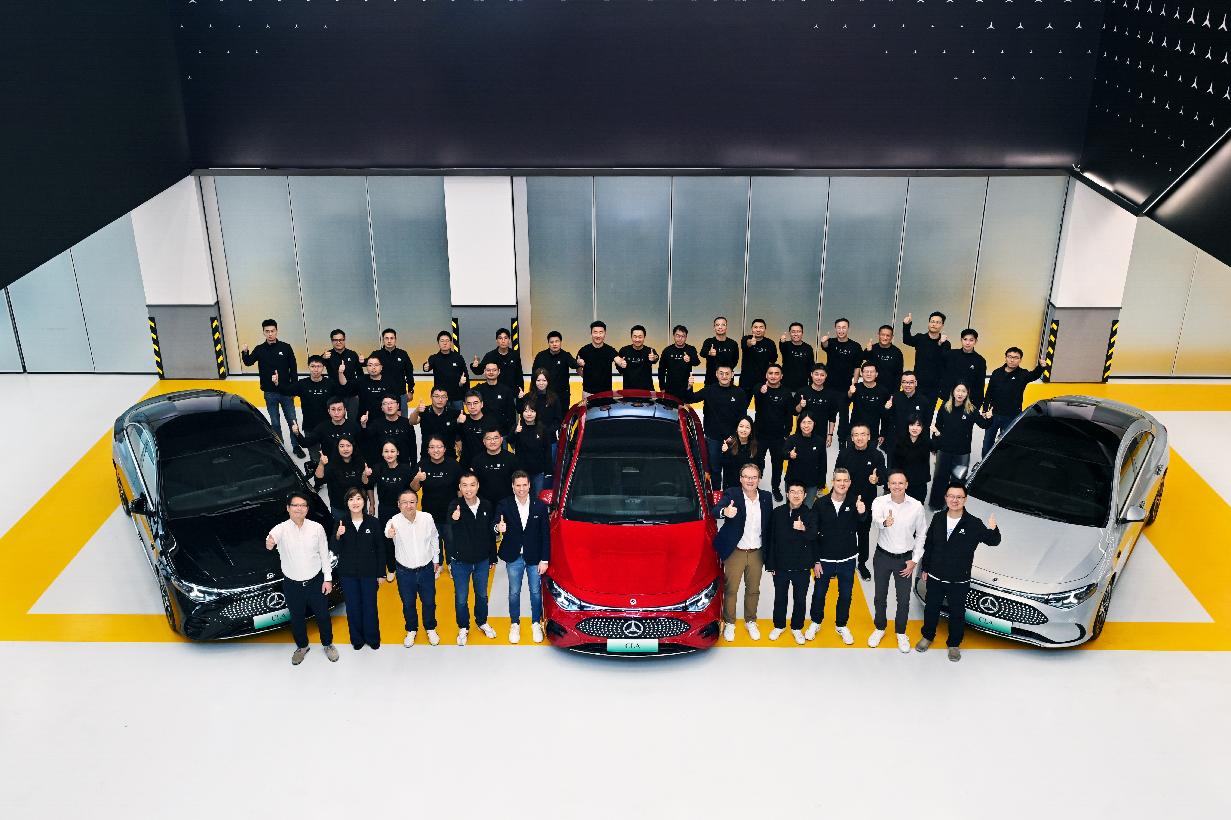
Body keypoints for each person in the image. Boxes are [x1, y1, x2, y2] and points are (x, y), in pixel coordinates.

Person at [917, 482, 1001, 661]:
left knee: (957, 614)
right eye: (951, 496)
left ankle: (954, 645)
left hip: (959, 580)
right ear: (946, 498)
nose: (954, 500)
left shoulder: (973, 523)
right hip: (935, 576)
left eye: (959, 497)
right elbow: (929, 544)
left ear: (965, 499)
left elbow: (993, 541)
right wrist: (925, 567)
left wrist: (994, 529)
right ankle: (927, 636)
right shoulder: (938, 517)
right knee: (931, 609)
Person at [265, 492, 337, 665]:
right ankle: (302, 647)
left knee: (323, 616)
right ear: (288, 508)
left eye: (303, 505)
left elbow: (324, 555)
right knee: (297, 618)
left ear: (307, 509)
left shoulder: (316, 528)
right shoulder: (280, 528)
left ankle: (328, 644)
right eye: (295, 505)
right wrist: (270, 542)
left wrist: (327, 579)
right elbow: (270, 540)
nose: (299, 508)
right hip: (292, 585)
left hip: (315, 582)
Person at [712, 462, 773, 642]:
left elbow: (769, 526)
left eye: (754, 477)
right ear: (740, 479)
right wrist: (725, 511)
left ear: (759, 479)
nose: (750, 480)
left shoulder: (766, 497)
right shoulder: (732, 494)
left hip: (757, 552)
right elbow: (715, 510)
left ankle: (750, 621)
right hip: (736, 551)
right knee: (731, 589)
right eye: (746, 477)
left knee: (753, 590)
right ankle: (730, 622)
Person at [868, 469, 927, 653]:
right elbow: (875, 520)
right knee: (880, 596)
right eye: (893, 483)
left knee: (903, 599)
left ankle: (901, 632)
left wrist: (914, 560)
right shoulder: (879, 502)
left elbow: (921, 534)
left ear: (906, 485)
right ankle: (880, 628)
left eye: (901, 483)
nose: (897, 486)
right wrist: (885, 522)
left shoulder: (916, 506)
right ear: (888, 485)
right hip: (883, 557)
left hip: (905, 560)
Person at [808, 468, 866, 644]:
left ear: (849, 483)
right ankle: (816, 622)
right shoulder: (820, 504)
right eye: (838, 480)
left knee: (846, 595)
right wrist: (815, 560)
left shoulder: (855, 502)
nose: (842, 483)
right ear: (832, 482)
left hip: (847, 559)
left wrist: (862, 512)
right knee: (819, 593)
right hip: (824, 560)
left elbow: (863, 523)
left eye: (845, 480)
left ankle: (841, 625)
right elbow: (813, 534)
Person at [442, 472, 499, 645]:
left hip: (482, 561)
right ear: (460, 487)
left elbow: (490, 533)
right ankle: (463, 627)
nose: (468, 489)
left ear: (478, 486)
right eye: (464, 485)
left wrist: (492, 557)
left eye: (472, 485)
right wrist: (454, 519)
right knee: (461, 598)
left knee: (482, 595)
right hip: (460, 562)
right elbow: (449, 532)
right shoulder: (454, 505)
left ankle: (481, 622)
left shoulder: (487, 505)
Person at [494, 471, 551, 644]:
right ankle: (515, 624)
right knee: (514, 592)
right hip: (514, 557)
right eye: (518, 485)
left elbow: (545, 535)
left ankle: (536, 623)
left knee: (535, 592)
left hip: (535, 557)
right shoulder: (504, 504)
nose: (521, 489)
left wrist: (545, 560)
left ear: (529, 485)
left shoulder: (540, 506)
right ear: (512, 486)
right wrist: (498, 528)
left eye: (524, 485)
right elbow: (495, 523)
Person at [385, 488, 443, 648]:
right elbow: (387, 532)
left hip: (426, 569)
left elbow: (435, 537)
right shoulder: (394, 521)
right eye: (404, 502)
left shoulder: (427, 518)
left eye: (412, 502)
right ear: (398, 504)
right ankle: (411, 629)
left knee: (429, 602)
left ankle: (430, 628)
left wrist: (436, 559)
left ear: (417, 503)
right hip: (404, 572)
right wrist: (390, 533)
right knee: (408, 603)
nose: (408, 505)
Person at [241, 319, 303, 456]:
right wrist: (245, 352)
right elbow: (248, 362)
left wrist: (294, 387)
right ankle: (281, 447)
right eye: (267, 331)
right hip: (270, 393)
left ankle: (296, 446)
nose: (270, 334)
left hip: (286, 391)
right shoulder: (259, 349)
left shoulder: (286, 347)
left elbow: (293, 368)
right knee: (275, 423)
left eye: (272, 331)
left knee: (292, 420)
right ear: (263, 332)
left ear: (276, 331)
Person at [765, 481, 817, 644]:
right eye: (792, 491)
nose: (796, 495)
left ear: (805, 495)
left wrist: (803, 528)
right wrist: (771, 564)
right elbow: (771, 539)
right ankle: (779, 626)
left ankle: (797, 627)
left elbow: (814, 537)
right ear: (787, 494)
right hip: (780, 566)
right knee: (780, 597)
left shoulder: (810, 513)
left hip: (802, 567)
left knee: (800, 599)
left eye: (799, 492)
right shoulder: (777, 512)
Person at [332, 488, 383, 650]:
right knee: (353, 607)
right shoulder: (341, 522)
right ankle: (357, 639)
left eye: (359, 498)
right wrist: (338, 535)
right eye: (351, 499)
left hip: (369, 572)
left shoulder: (373, 522)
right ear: (347, 503)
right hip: (348, 574)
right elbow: (334, 549)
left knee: (370, 606)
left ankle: (372, 637)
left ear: (364, 501)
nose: (355, 502)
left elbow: (380, 549)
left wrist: (381, 573)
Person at [834, 424, 886, 581]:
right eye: (856, 434)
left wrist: (877, 479)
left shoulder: (877, 455)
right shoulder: (844, 454)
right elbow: (837, 475)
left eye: (863, 434)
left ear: (869, 437)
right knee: (842, 533)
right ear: (851, 437)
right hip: (846, 501)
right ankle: (840, 561)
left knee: (863, 534)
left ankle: (862, 563)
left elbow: (883, 476)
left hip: (867, 503)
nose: (859, 438)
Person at [928, 384, 991, 510]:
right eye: (958, 390)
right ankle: (936, 504)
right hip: (944, 450)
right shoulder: (945, 407)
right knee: (940, 478)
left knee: (958, 481)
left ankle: (954, 507)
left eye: (963, 391)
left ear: (967, 393)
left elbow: (984, 425)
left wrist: (989, 418)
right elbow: (938, 427)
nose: (960, 393)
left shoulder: (971, 409)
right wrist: (935, 446)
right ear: (953, 392)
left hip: (962, 453)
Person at [682, 365, 748, 487]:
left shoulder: (740, 393)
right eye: (721, 373)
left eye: (727, 373)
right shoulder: (709, 390)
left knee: (731, 469)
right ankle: (717, 491)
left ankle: (729, 492)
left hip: (732, 439)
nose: (724, 376)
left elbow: (742, 417)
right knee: (715, 469)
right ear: (716, 374)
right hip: (713, 438)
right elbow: (690, 399)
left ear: (732, 375)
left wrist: (734, 436)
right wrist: (689, 386)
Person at [981, 347, 1047, 456]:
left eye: (1016, 358)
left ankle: (1001, 463)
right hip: (993, 415)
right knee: (987, 444)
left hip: (1011, 416)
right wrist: (984, 410)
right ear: (1006, 357)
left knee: (1006, 445)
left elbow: (1034, 375)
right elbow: (989, 393)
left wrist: (1041, 367)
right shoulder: (997, 373)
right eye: (1010, 357)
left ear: (1020, 360)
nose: (1012, 360)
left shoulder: (1023, 374)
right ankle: (984, 464)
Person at [275, 355, 335, 462]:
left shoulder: (330, 383)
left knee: (330, 456)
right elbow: (286, 391)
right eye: (313, 366)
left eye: (318, 366)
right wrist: (277, 384)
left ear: (323, 368)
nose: (316, 369)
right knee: (315, 458)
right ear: (309, 367)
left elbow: (341, 397)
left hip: (328, 426)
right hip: (310, 427)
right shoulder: (302, 384)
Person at [370, 440, 416, 581]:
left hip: (404, 509)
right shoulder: (378, 468)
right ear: (382, 453)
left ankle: (409, 564)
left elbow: (413, 489)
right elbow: (367, 484)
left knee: (406, 537)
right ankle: (391, 568)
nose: (389, 454)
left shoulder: (405, 469)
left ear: (398, 452)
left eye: (392, 451)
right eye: (386, 451)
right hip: (385, 509)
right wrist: (365, 476)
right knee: (388, 539)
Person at [820, 318, 865, 440]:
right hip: (828, 386)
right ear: (835, 329)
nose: (841, 330)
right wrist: (823, 341)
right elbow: (825, 345)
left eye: (844, 327)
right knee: (826, 412)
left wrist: (854, 384)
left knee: (844, 416)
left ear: (848, 329)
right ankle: (822, 436)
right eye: (838, 327)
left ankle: (842, 439)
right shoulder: (831, 342)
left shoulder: (855, 346)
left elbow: (857, 367)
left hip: (845, 388)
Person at [754, 363, 793, 501]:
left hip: (778, 437)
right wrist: (761, 391)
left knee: (777, 464)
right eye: (770, 373)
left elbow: (789, 415)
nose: (773, 376)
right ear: (766, 375)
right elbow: (756, 391)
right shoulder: (760, 388)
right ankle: (755, 487)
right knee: (758, 462)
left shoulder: (787, 393)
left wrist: (786, 434)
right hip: (760, 435)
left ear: (781, 376)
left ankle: (775, 488)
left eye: (777, 373)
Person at [291, 396, 361, 468]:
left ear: (345, 410)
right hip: (330, 467)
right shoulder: (322, 427)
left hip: (351, 466)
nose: (336, 413)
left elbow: (362, 445)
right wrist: (297, 433)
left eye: (339, 409)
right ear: (328, 411)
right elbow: (306, 443)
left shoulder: (353, 426)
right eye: (333, 409)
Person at [411, 436, 463, 532]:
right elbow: (414, 488)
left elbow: (460, 489)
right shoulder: (422, 465)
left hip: (450, 514)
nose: (436, 450)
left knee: (451, 541)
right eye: (432, 447)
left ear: (444, 449)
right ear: (428, 450)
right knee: (431, 541)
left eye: (439, 447)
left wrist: (459, 508)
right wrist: (417, 478)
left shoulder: (453, 465)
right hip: (429, 515)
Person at [314, 437, 369, 520]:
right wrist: (321, 464)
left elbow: (365, 483)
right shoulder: (332, 464)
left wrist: (365, 475)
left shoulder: (360, 462)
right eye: (342, 446)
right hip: (340, 508)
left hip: (358, 505)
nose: (345, 449)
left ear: (353, 447)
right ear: (337, 448)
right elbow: (319, 478)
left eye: (348, 445)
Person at [901, 311, 950, 399]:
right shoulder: (920, 338)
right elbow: (906, 340)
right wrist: (906, 325)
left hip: (935, 386)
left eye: (938, 322)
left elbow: (943, 361)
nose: (934, 324)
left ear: (942, 325)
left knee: (930, 407)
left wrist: (940, 344)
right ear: (929, 323)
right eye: (932, 321)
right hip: (918, 383)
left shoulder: (946, 343)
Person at [370, 328, 415, 419]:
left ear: (395, 339)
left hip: (400, 394)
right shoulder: (376, 354)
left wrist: (411, 391)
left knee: (402, 421)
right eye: (386, 338)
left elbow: (409, 373)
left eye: (392, 338)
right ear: (383, 340)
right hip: (381, 394)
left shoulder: (403, 354)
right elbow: (368, 365)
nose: (389, 341)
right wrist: (361, 361)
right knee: (380, 421)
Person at [793, 364, 841, 449]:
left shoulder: (831, 395)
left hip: (820, 435)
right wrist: (800, 405)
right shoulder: (802, 392)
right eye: (816, 374)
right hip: (803, 433)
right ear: (811, 374)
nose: (819, 377)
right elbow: (795, 412)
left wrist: (830, 434)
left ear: (826, 376)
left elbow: (832, 417)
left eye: (822, 375)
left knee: (819, 456)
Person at [338, 354, 397, 422]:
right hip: (364, 419)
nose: (373, 367)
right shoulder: (361, 381)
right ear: (366, 367)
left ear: (381, 367)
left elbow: (395, 400)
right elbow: (345, 385)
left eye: (376, 365)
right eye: (370, 365)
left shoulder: (389, 381)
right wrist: (340, 373)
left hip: (385, 419)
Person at [362, 394, 416, 467]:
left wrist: (414, 468)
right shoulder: (376, 424)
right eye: (385, 404)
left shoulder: (407, 423)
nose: (389, 406)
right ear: (382, 408)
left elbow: (413, 448)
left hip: (403, 467)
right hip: (381, 468)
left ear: (398, 406)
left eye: (392, 403)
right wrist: (364, 425)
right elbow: (366, 442)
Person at [847, 362, 892, 449]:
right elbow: (845, 403)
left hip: (872, 434)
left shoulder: (883, 391)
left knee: (871, 457)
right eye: (866, 371)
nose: (869, 374)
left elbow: (885, 415)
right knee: (851, 456)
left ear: (876, 374)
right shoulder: (856, 388)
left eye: (872, 372)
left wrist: (883, 433)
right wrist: (850, 393)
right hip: (855, 432)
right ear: (861, 373)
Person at [785, 412, 826, 506]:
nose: (806, 425)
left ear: (814, 424)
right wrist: (789, 454)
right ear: (799, 424)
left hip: (811, 483)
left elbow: (822, 463)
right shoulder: (792, 439)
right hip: (793, 482)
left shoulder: (819, 441)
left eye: (809, 422)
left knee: (807, 509)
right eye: (803, 422)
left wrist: (821, 484)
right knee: (792, 508)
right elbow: (783, 452)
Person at [470, 429, 520, 505]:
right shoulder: (477, 461)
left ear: (501, 439)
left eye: (496, 438)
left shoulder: (512, 459)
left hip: (507, 504)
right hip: (484, 504)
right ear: (484, 441)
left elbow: (518, 482)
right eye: (489, 439)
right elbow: (473, 484)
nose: (492, 441)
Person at [321, 328, 364, 418]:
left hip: (352, 394)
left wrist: (359, 391)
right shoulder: (327, 355)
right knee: (338, 421)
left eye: (341, 339)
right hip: (335, 395)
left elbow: (360, 374)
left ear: (344, 340)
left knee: (354, 421)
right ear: (332, 341)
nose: (338, 342)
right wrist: (322, 358)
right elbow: (316, 366)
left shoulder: (352, 354)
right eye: (335, 340)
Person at [423, 330, 469, 413]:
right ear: (438, 343)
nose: (445, 343)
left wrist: (466, 396)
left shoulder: (458, 358)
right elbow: (427, 366)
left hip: (457, 398)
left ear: (451, 343)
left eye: (447, 341)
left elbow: (466, 376)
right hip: (441, 398)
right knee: (441, 419)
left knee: (460, 418)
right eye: (442, 341)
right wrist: (425, 367)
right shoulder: (434, 358)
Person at [884, 371, 935, 446]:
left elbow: (926, 424)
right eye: (904, 382)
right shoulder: (894, 398)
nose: (907, 385)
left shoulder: (924, 401)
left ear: (916, 383)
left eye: (911, 382)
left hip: (916, 442)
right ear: (901, 383)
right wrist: (886, 409)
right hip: (897, 442)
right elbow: (887, 420)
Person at [940, 328, 988, 408]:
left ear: (976, 341)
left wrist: (977, 404)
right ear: (961, 340)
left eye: (971, 340)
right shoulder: (951, 355)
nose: (967, 343)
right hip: (948, 399)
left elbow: (980, 384)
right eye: (965, 339)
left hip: (968, 401)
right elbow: (938, 365)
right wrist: (941, 343)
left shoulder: (980, 361)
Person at [512, 402, 552, 497]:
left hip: (538, 471)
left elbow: (547, 450)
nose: (529, 414)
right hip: (522, 471)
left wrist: (548, 470)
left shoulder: (542, 428)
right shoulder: (518, 426)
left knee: (538, 496)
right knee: (522, 496)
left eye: (532, 411)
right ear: (522, 413)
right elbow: (510, 440)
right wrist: (515, 432)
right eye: (526, 411)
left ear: (536, 413)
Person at [530, 331, 577, 409]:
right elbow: (534, 375)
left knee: (562, 415)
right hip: (544, 393)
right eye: (551, 342)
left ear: (560, 342)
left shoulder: (566, 355)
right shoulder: (541, 356)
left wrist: (580, 362)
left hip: (562, 395)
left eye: (557, 341)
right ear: (548, 343)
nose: (554, 344)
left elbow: (574, 364)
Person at [413, 387, 461, 464]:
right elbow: (412, 422)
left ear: (447, 398)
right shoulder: (424, 411)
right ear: (431, 397)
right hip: (427, 456)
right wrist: (416, 410)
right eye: (436, 396)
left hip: (449, 456)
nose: (440, 399)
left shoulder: (454, 413)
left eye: (443, 397)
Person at [891, 417, 932, 506]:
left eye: (918, 425)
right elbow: (894, 463)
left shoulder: (926, 441)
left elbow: (940, 445)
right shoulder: (900, 441)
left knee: (917, 507)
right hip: (903, 482)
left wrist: (937, 433)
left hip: (920, 482)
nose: (915, 428)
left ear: (922, 428)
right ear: (907, 426)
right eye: (912, 425)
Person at [471, 328, 524, 394]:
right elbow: (479, 371)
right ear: (496, 341)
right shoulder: (490, 355)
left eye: (505, 338)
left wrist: (521, 390)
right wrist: (475, 366)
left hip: (512, 392)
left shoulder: (515, 355)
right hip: (495, 391)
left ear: (509, 340)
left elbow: (519, 375)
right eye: (500, 338)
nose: (503, 341)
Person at [576, 320, 620, 397]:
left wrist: (621, 362)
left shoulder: (610, 350)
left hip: (606, 393)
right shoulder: (584, 350)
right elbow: (578, 369)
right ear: (591, 333)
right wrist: (586, 377)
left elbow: (617, 359)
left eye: (601, 332)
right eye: (595, 332)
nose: (598, 335)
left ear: (605, 333)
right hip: (588, 392)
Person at [458, 390, 501, 465]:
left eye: (475, 403)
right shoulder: (462, 420)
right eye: (469, 404)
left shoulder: (491, 422)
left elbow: (496, 446)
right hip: (466, 464)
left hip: (486, 463)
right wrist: (458, 423)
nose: (472, 406)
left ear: (482, 404)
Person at [474, 361, 518, 433]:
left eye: (494, 370)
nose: (491, 372)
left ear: (499, 372)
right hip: (483, 431)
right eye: (488, 370)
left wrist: (510, 432)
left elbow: (511, 413)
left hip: (502, 432)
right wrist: (461, 384)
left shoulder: (506, 390)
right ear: (484, 372)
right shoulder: (478, 389)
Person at [658, 324, 700, 398]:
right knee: (670, 405)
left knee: (685, 405)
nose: (680, 339)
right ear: (674, 336)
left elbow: (697, 362)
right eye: (678, 336)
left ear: (686, 337)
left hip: (686, 387)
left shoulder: (691, 349)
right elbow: (661, 370)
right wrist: (662, 387)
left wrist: (690, 359)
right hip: (670, 387)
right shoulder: (667, 350)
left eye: (683, 336)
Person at [524, 369, 564, 447]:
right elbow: (523, 417)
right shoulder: (527, 397)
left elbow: (558, 420)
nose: (541, 383)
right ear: (534, 381)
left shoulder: (554, 398)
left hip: (550, 439)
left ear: (548, 381)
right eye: (538, 380)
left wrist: (546, 432)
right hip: (531, 439)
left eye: (544, 380)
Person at [719, 417, 761, 491]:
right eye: (741, 426)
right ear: (736, 428)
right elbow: (725, 467)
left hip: (749, 486)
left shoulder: (756, 446)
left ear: (751, 430)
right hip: (732, 487)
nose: (744, 430)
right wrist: (725, 452)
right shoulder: (728, 444)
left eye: (747, 427)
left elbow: (759, 467)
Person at [739, 318, 777, 392]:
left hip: (763, 382)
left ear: (765, 329)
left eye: (761, 327)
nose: (758, 330)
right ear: (752, 329)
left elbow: (773, 360)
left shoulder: (770, 343)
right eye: (755, 327)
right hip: (746, 381)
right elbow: (747, 343)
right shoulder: (745, 338)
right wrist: (751, 342)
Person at [700, 316, 740, 386]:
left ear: (726, 327)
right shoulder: (708, 341)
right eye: (717, 325)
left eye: (723, 325)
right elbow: (702, 353)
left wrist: (726, 371)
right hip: (711, 380)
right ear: (714, 327)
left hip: (727, 381)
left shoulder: (733, 343)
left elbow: (735, 360)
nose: (720, 327)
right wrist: (709, 353)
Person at [616, 324, 658, 391]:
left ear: (644, 337)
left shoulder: (650, 351)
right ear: (631, 337)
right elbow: (618, 367)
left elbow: (656, 358)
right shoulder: (624, 350)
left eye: (640, 337)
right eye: (635, 337)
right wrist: (620, 365)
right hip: (628, 390)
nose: (637, 339)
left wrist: (654, 358)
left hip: (647, 390)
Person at [777, 322, 815, 394]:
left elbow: (811, 367)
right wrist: (782, 341)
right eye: (793, 332)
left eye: (798, 331)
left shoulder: (808, 348)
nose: (796, 334)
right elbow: (782, 347)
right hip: (786, 386)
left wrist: (811, 385)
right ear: (789, 333)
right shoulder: (786, 345)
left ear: (802, 333)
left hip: (802, 386)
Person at [864, 325, 904, 393]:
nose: (885, 338)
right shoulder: (872, 348)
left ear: (892, 337)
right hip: (871, 390)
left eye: (888, 335)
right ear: (878, 335)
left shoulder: (897, 352)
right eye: (882, 335)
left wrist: (895, 393)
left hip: (889, 391)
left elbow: (899, 374)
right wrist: (868, 351)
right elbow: (863, 361)